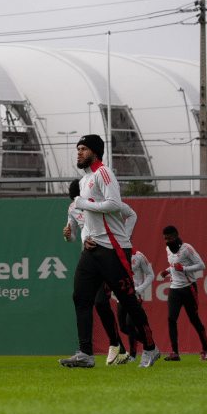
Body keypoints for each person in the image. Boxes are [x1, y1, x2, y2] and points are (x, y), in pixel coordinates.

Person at [60, 135, 160, 368]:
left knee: (128, 300)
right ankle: (85, 354)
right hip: (92, 250)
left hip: (114, 249)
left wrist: (84, 205)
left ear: (95, 152)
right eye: (78, 149)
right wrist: (85, 239)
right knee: (80, 297)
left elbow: (115, 205)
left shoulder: (104, 173)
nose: (79, 152)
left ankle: (151, 348)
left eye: (83, 149)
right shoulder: (85, 181)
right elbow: (89, 220)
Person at [64, 179, 139, 365]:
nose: (77, 201)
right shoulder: (73, 208)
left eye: (79, 196)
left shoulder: (103, 202)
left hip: (109, 253)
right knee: (89, 300)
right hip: (90, 257)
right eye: (75, 198)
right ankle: (98, 351)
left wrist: (124, 237)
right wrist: (67, 236)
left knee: (118, 300)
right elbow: (74, 235)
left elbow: (131, 214)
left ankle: (146, 346)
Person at [158, 225, 207, 362]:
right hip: (174, 288)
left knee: (194, 319)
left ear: (175, 236)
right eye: (165, 238)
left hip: (188, 288)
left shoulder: (187, 248)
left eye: (169, 238)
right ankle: (175, 352)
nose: (166, 241)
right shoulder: (168, 248)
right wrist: (167, 271)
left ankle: (206, 349)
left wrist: (184, 269)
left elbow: (201, 265)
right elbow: (173, 265)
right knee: (171, 319)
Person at [116, 248, 154, 364]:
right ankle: (150, 342)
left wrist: (140, 288)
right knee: (123, 327)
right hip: (121, 295)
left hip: (135, 295)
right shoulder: (115, 255)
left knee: (130, 324)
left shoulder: (139, 256)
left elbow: (150, 274)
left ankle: (132, 355)